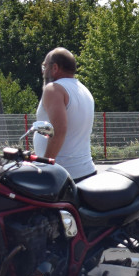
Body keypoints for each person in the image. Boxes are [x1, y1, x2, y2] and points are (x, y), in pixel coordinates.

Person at [34, 47, 96, 181]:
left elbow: (58, 131)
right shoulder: (84, 90)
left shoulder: (54, 89)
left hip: (63, 174)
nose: (43, 71)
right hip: (86, 170)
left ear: (55, 68)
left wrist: (44, 167)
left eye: (45, 66)